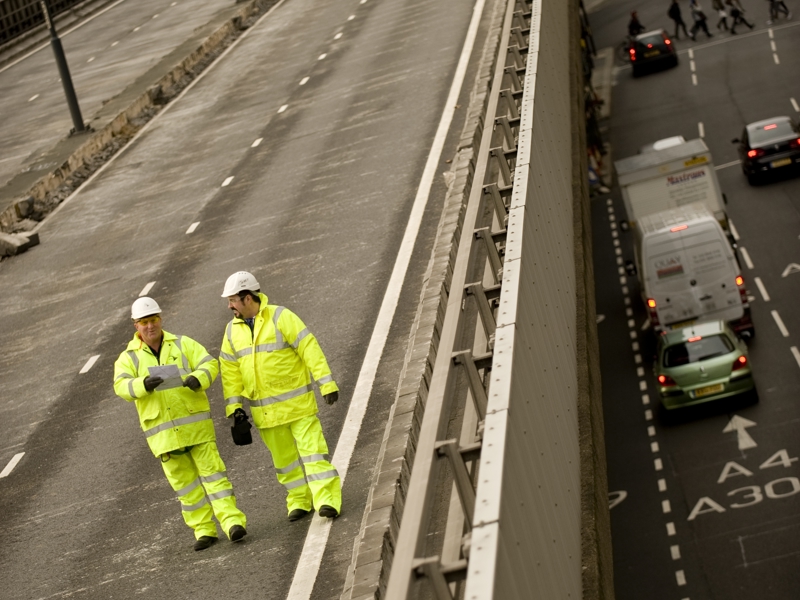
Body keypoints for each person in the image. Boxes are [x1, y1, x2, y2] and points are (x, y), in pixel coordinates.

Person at [113, 297, 247, 551]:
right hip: (165, 437)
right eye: (144, 322)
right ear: (136, 326)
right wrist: (142, 385)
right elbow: (120, 386)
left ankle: (232, 523)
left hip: (196, 428)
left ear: (160, 320)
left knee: (215, 479)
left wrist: (198, 379)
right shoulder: (128, 359)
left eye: (153, 320)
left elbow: (209, 363)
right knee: (187, 489)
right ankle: (204, 531)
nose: (150, 326)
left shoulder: (183, 344)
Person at [219, 271, 342, 522]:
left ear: (247, 298)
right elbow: (230, 372)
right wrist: (234, 409)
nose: (229, 305)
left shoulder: (281, 317)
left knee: (314, 456)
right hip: (266, 414)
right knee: (285, 463)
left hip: (298, 407)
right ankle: (298, 499)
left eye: (232, 300)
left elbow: (309, 348)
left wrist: (326, 383)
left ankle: (327, 500)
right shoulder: (231, 331)